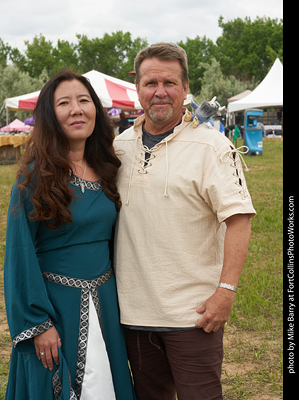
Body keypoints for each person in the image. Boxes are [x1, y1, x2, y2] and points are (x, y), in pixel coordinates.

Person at [113, 42, 256, 400]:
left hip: (193, 315)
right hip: (132, 313)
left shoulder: (213, 147)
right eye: (150, 82)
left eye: (170, 82)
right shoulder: (118, 148)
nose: (159, 91)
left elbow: (239, 219)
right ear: (137, 89)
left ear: (186, 88)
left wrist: (226, 292)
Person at [4, 69, 136, 400]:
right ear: (51, 115)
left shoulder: (108, 169)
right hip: (56, 308)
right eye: (64, 103)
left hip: (105, 303)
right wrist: (39, 323)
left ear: (96, 109)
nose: (76, 109)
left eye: (84, 100)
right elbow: (19, 254)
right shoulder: (34, 178)